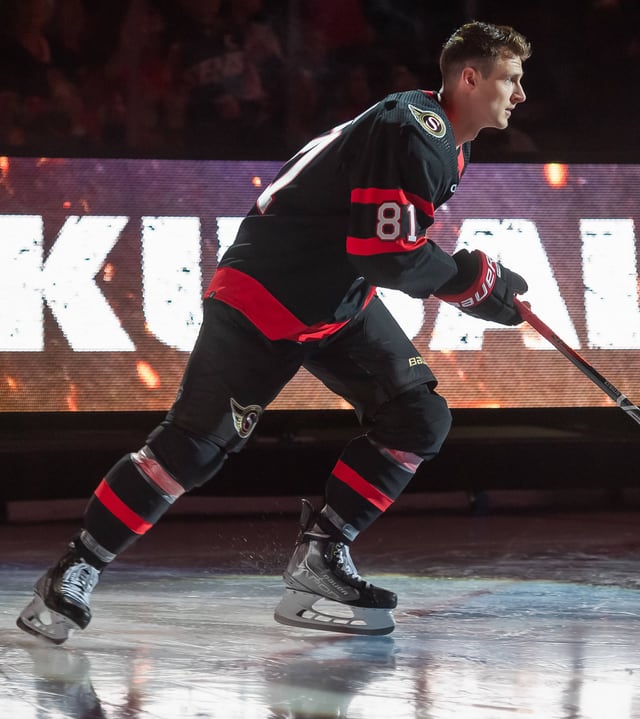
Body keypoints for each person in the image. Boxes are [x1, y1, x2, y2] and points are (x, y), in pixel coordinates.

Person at [18, 20, 531, 643]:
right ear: (469, 78)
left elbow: (382, 246)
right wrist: (469, 282)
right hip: (265, 296)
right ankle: (73, 571)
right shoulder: (416, 130)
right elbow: (384, 251)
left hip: (334, 301)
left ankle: (320, 561)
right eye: (509, 78)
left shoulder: (447, 140)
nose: (520, 94)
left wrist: (469, 280)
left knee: (418, 418)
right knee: (192, 450)